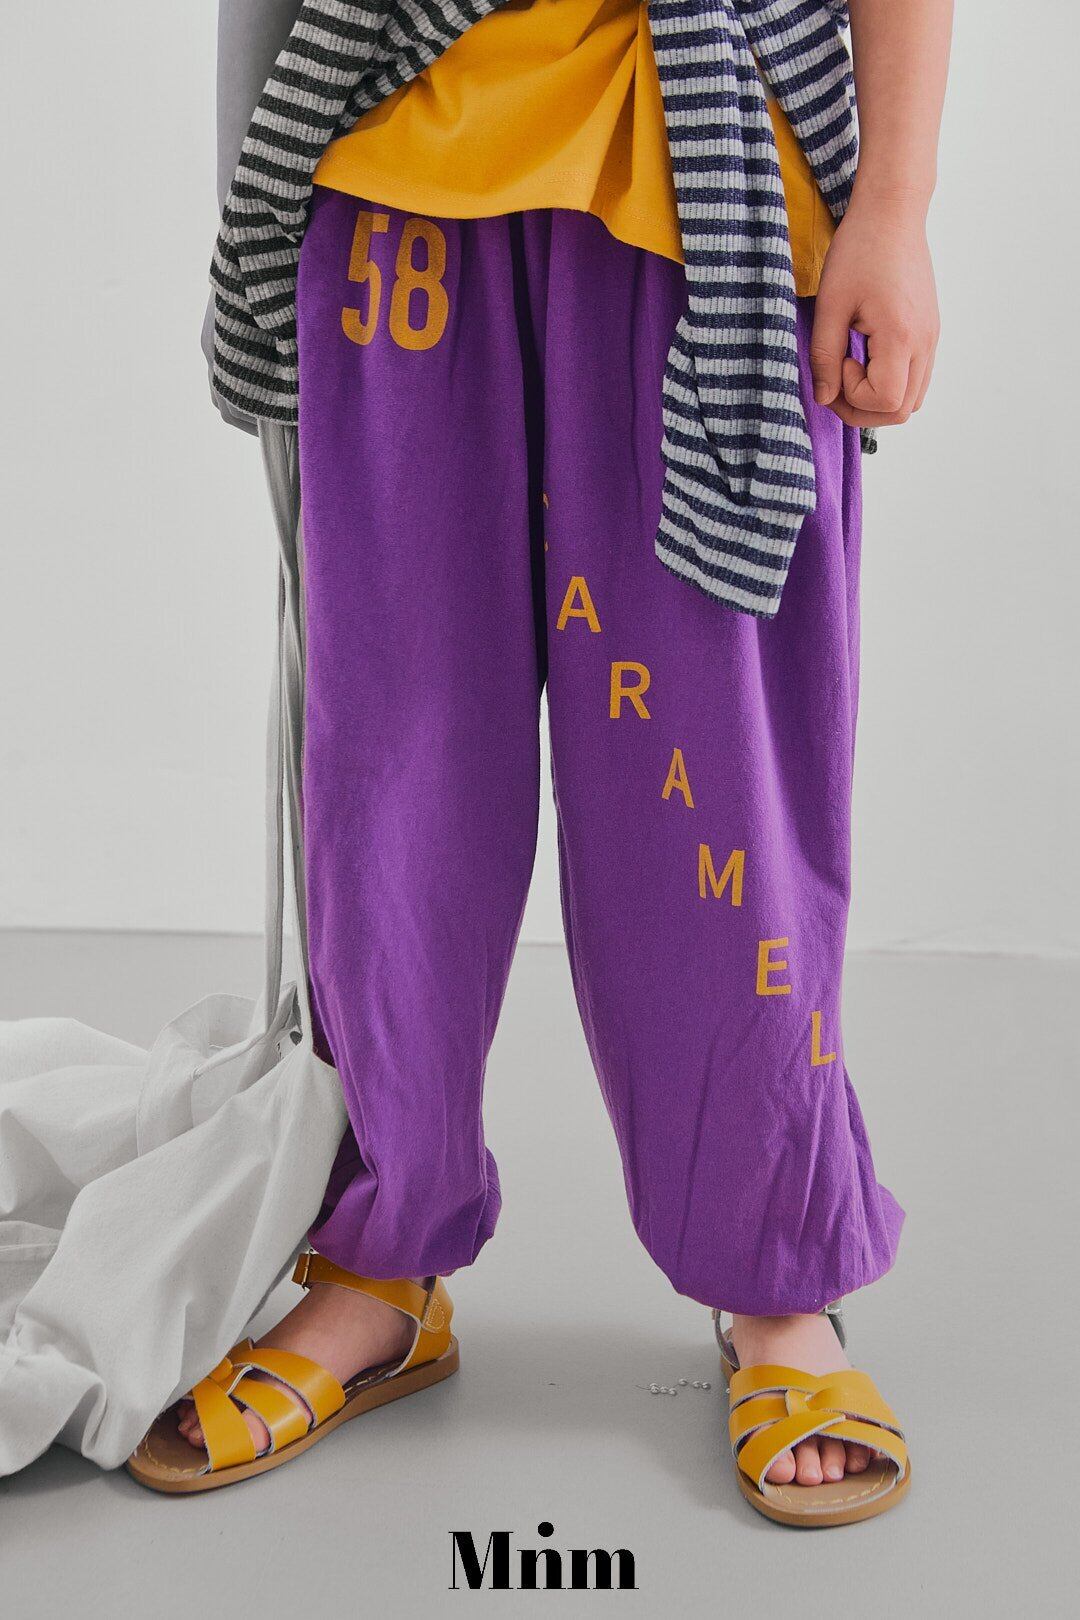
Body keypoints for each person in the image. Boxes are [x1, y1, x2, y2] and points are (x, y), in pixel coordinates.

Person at [128, 0, 950, 1524]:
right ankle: (378, 1255)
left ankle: (777, 1278)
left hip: (706, 180)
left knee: (721, 795)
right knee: (393, 778)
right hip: (399, 160)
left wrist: (891, 209)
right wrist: (256, 201)